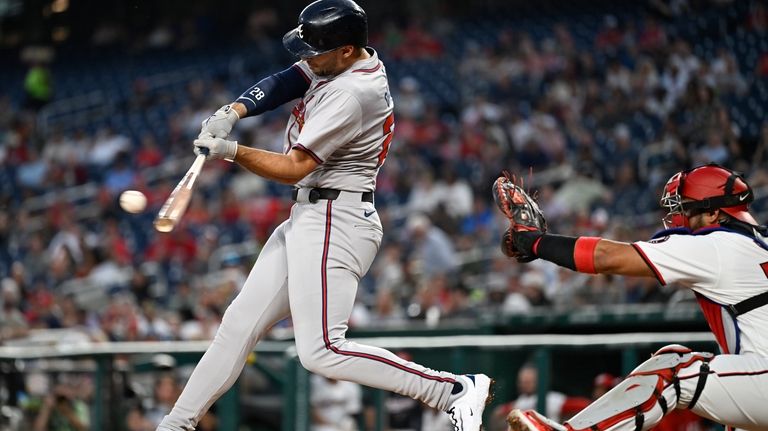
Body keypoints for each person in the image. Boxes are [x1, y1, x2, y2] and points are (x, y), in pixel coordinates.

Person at [156, 1, 492, 430]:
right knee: (238, 325)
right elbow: (290, 79)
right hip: (315, 213)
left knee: (322, 350)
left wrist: (231, 151)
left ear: (348, 50)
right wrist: (235, 111)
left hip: (337, 214)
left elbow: (294, 167)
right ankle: (175, 425)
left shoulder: (353, 93)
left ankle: (451, 391)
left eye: (316, 50)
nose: (307, 57)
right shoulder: (346, 60)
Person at [498, 163, 768, 431]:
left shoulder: (716, 244)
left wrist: (535, 242)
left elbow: (606, 257)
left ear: (712, 213)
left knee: (673, 370)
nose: (678, 217)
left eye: (685, 208)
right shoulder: (756, 244)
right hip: (757, 378)